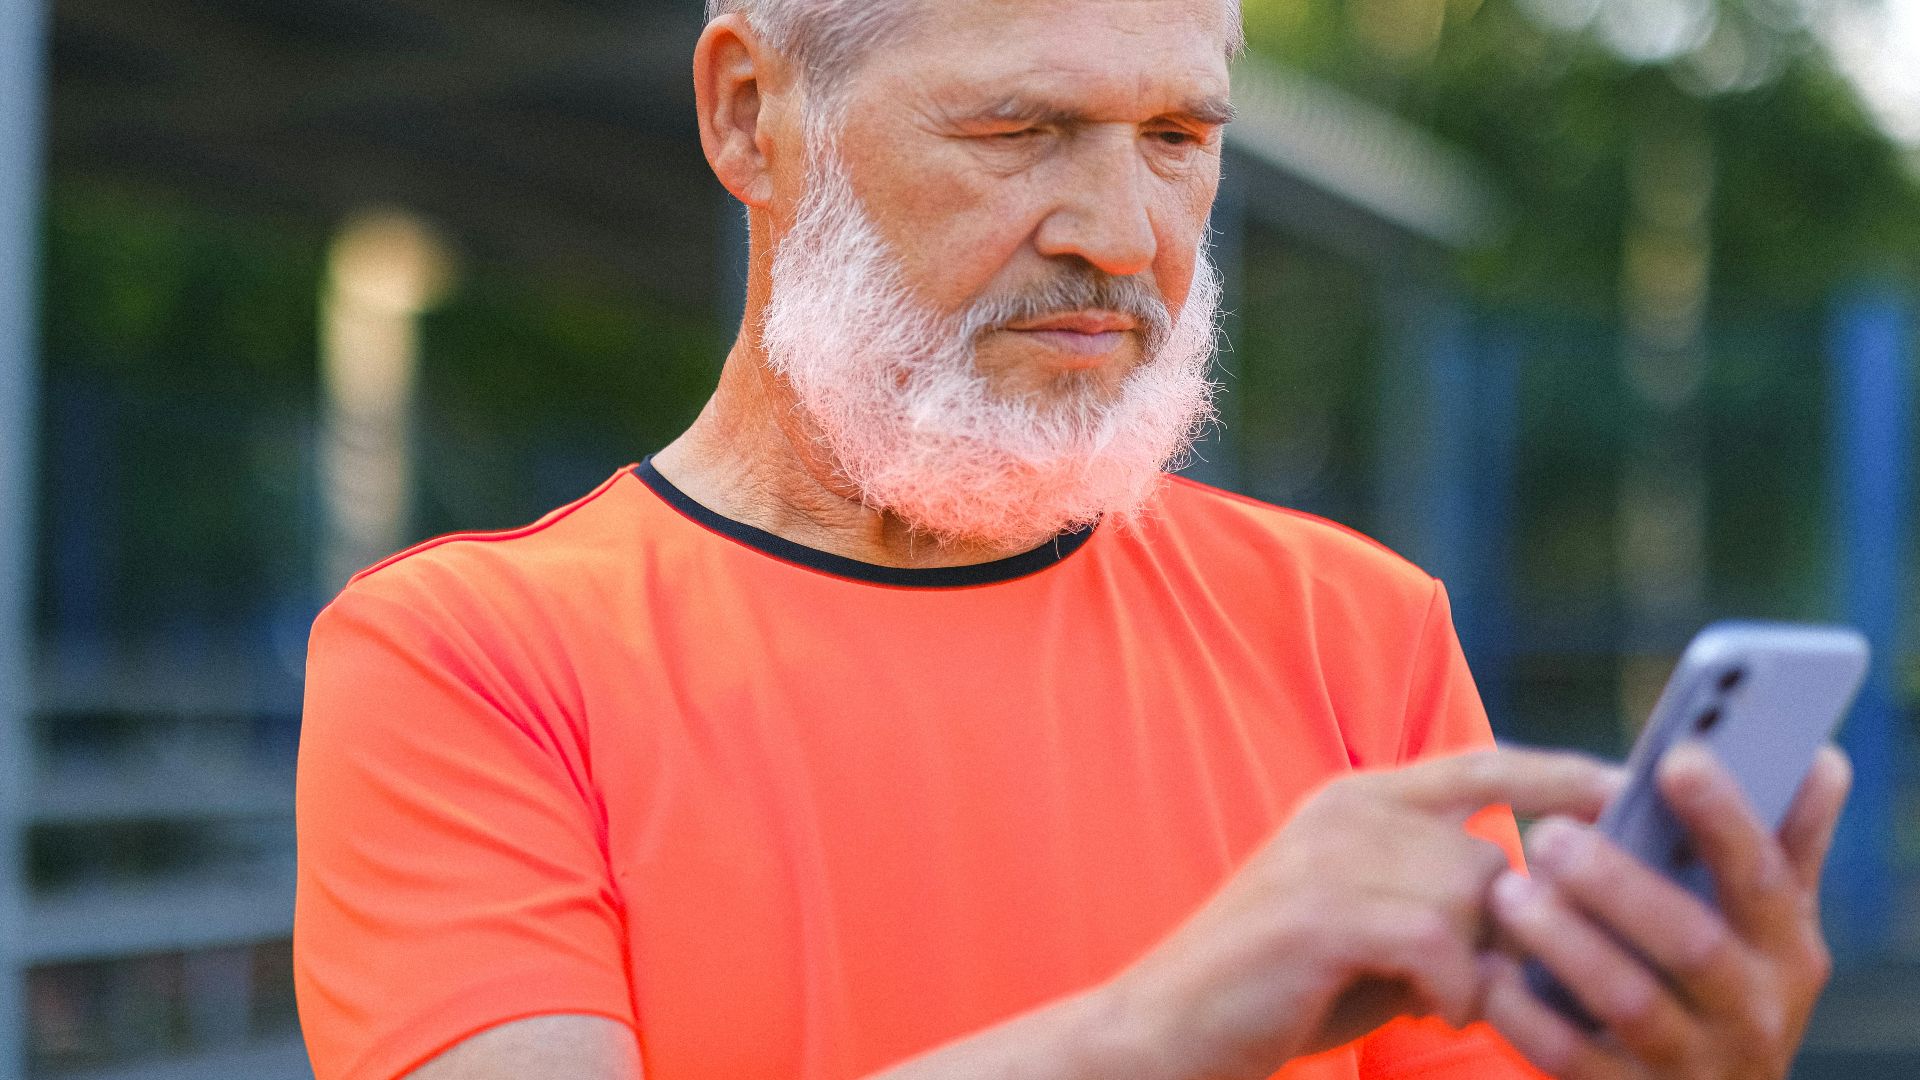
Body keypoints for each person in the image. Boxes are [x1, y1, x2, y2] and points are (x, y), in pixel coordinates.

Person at [292, 1, 1852, 1078]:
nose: (1122, 234)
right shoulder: (463, 660)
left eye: (1178, 134)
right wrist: (1167, 1026)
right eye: (1022, 126)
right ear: (749, 114)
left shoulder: (1356, 629)